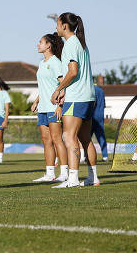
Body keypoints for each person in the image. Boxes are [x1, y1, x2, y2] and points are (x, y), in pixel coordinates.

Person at [50, 12, 99, 188]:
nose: (55, 27)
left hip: (77, 98)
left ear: (64, 25)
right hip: (88, 96)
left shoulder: (71, 44)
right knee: (85, 139)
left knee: (68, 136)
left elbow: (73, 71)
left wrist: (59, 89)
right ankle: (94, 178)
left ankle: (72, 179)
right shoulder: (81, 44)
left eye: (57, 24)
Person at [30, 33, 68, 182]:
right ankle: (50, 174)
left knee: (57, 139)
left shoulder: (56, 62)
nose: (37, 44)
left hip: (54, 107)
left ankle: (64, 173)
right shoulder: (41, 63)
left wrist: (60, 106)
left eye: (40, 42)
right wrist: (37, 101)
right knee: (46, 140)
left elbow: (63, 85)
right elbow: (45, 86)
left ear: (48, 45)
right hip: (43, 107)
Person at [92, 84, 109, 162]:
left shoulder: (91, 89)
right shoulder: (101, 91)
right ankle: (105, 156)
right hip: (100, 116)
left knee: (86, 138)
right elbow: (104, 105)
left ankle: (84, 156)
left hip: (92, 116)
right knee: (101, 137)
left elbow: (93, 103)